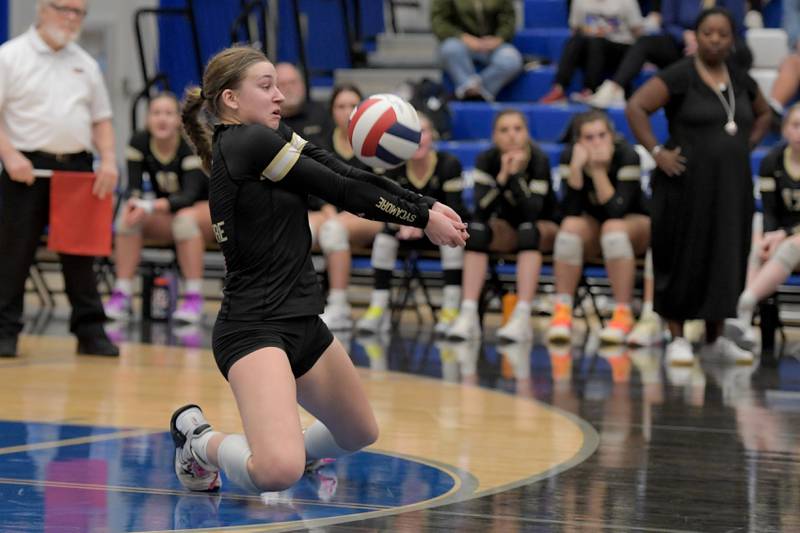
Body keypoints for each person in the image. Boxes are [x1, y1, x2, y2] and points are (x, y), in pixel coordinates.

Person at [171, 45, 467, 494]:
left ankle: (291, 449)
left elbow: (339, 169)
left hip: (303, 322)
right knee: (276, 472)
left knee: (358, 433)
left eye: (278, 85)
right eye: (266, 86)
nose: (279, 96)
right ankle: (199, 443)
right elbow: (341, 189)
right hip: (254, 328)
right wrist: (421, 218)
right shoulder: (246, 142)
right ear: (230, 99)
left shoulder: (269, 137)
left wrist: (424, 203)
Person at [625, 7, 771, 366]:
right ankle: (676, 337)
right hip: (684, 186)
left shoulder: (741, 79)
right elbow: (636, 107)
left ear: (732, 38)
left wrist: (745, 146)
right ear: (696, 36)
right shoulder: (680, 75)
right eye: (708, 32)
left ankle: (715, 337)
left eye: (723, 33)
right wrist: (657, 152)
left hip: (731, 188)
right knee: (681, 256)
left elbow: (766, 113)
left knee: (725, 257)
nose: (716, 39)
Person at [0, 0, 119, 358]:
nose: (71, 18)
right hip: (25, 170)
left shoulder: (84, 63)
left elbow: (101, 118)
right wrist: (9, 155)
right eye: (64, 9)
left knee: (81, 255)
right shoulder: (10, 56)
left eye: (78, 12)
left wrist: (109, 160)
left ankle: (90, 331)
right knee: (12, 255)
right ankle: (5, 331)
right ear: (42, 9)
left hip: (77, 169)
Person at [447, 109, 559, 344]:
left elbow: (533, 210)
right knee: (476, 232)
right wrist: (501, 177)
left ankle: (522, 315)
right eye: (504, 130)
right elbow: (482, 210)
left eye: (518, 129)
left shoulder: (539, 160)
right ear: (495, 136)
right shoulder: (486, 160)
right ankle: (468, 314)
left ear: (527, 133)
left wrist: (516, 176)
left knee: (529, 230)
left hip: (544, 227)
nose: (512, 136)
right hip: (507, 227)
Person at [355, 112, 469, 335]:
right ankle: (378, 308)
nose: (417, 139)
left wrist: (422, 222)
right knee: (385, 235)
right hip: (406, 233)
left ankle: (451, 308)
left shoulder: (448, 164)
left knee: (455, 234)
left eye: (423, 132)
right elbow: (384, 208)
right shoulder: (394, 168)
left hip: (438, 233)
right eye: (410, 134)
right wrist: (404, 223)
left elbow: (458, 211)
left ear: (433, 136)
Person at [104, 93, 213, 324]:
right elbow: (133, 188)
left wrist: (151, 205)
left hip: (208, 209)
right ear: (147, 119)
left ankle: (194, 298)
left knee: (184, 220)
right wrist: (135, 205)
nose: (162, 119)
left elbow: (189, 196)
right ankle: (121, 294)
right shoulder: (139, 141)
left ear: (178, 120)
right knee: (128, 219)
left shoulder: (189, 143)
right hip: (172, 213)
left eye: (168, 113)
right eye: (156, 113)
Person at [546, 110, 650, 345]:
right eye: (589, 138)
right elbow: (570, 211)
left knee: (613, 229)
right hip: (596, 227)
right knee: (570, 229)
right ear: (578, 142)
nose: (597, 143)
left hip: (636, 225)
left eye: (602, 135)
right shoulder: (570, 157)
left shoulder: (627, 155)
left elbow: (617, 210)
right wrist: (575, 170)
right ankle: (563, 311)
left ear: (612, 136)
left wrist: (598, 172)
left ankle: (623, 314)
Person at [725, 103, 800, 349]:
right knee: (757, 237)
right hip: (782, 236)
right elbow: (768, 210)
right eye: (796, 125)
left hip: (792, 238)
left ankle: (745, 301)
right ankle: (742, 324)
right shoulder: (772, 161)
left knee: (789, 246)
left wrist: (785, 234)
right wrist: (768, 237)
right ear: (785, 130)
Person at [589, 0, 753, 108]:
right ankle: (615, 87)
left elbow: (736, 27)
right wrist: (685, 36)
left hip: (719, 47)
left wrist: (708, 39)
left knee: (743, 52)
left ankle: (734, 100)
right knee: (645, 42)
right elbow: (668, 23)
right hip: (682, 44)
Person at [311, 84, 382, 330]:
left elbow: (383, 190)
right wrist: (325, 206)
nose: (348, 112)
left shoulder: (376, 143)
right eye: (341, 106)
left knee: (333, 230)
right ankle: (288, 301)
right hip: (331, 212)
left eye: (354, 105)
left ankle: (339, 305)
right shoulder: (320, 143)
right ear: (332, 112)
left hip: (371, 214)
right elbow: (311, 185)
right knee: (300, 227)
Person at [539, 0, 644, 104]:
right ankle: (559, 88)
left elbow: (638, 33)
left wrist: (640, 59)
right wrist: (591, 32)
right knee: (576, 40)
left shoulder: (627, 2)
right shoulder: (579, 2)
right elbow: (576, 29)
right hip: (591, 49)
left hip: (620, 48)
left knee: (596, 42)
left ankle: (590, 90)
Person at [431, 0, 523, 102]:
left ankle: (476, 91)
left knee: (512, 59)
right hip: (460, 42)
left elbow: (509, 19)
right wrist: (463, 37)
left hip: (493, 45)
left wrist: (498, 39)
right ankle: (468, 87)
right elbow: (439, 21)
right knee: (449, 49)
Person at [275, 62, 331, 146]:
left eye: (293, 82)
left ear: (303, 85)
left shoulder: (320, 113)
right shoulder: (267, 121)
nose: (289, 88)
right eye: (283, 84)